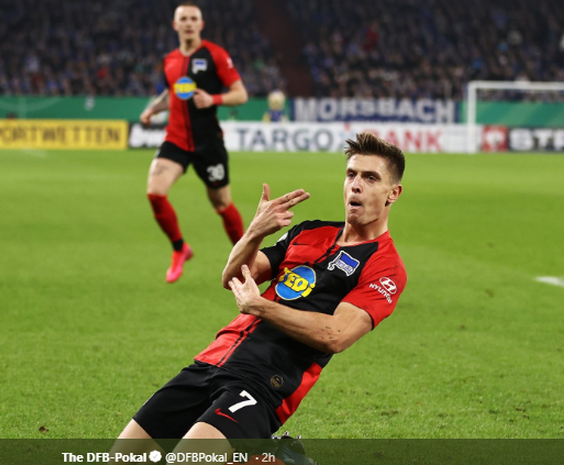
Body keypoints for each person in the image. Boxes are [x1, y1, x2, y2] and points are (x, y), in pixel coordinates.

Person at [116, 132, 407, 442]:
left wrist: (260, 306)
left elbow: (335, 334)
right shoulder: (308, 232)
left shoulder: (385, 266)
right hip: (211, 360)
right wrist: (254, 232)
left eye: (371, 178)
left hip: (265, 381)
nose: (356, 185)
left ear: (393, 193)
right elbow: (234, 277)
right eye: (351, 174)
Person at [140, 1, 248, 283]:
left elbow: (240, 94)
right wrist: (153, 109)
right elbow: (171, 94)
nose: (188, 23)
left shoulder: (215, 55)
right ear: (175, 25)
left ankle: (247, 261)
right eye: (183, 19)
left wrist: (213, 99)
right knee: (155, 191)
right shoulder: (170, 60)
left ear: (201, 24)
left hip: (208, 144)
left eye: (193, 18)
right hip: (176, 140)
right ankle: (180, 249)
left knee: (222, 204)